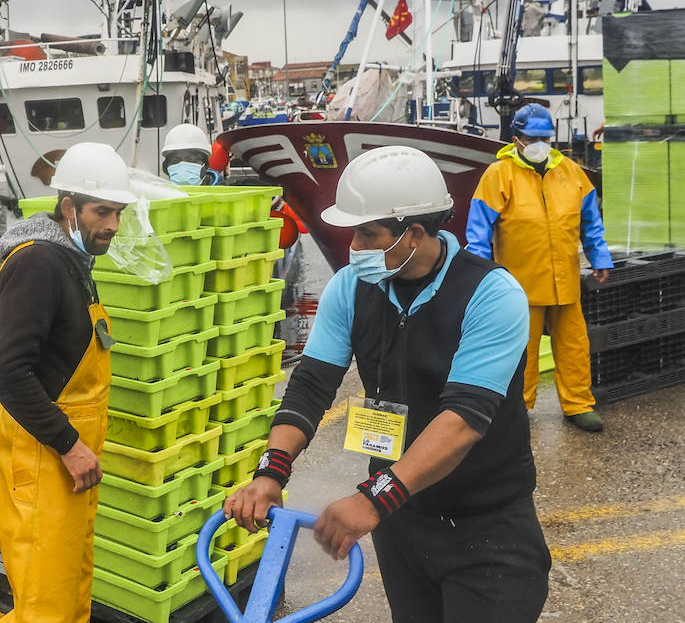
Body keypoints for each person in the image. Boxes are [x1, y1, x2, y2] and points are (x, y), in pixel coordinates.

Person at [225, 145, 550, 623]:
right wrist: (271, 472)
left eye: (367, 233)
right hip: (403, 526)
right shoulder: (351, 288)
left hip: (488, 531)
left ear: (414, 234)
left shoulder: (490, 294)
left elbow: (463, 419)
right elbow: (311, 386)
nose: (353, 246)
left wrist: (374, 498)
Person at [0, 141, 136, 623]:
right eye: (102, 211)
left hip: (68, 462)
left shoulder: (72, 262)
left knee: (71, 587)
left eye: (119, 212)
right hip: (44, 456)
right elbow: (7, 374)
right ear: (68, 207)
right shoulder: (37, 265)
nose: (112, 224)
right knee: (43, 596)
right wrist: (69, 444)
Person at [466, 103, 613, 432]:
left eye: (544, 137)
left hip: (566, 282)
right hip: (520, 286)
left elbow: (590, 222)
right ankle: (518, 408)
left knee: (574, 346)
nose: (539, 143)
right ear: (516, 138)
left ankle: (578, 404)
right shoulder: (498, 175)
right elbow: (478, 232)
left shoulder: (571, 172)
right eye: (532, 137)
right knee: (521, 352)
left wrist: (599, 257)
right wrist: (478, 274)